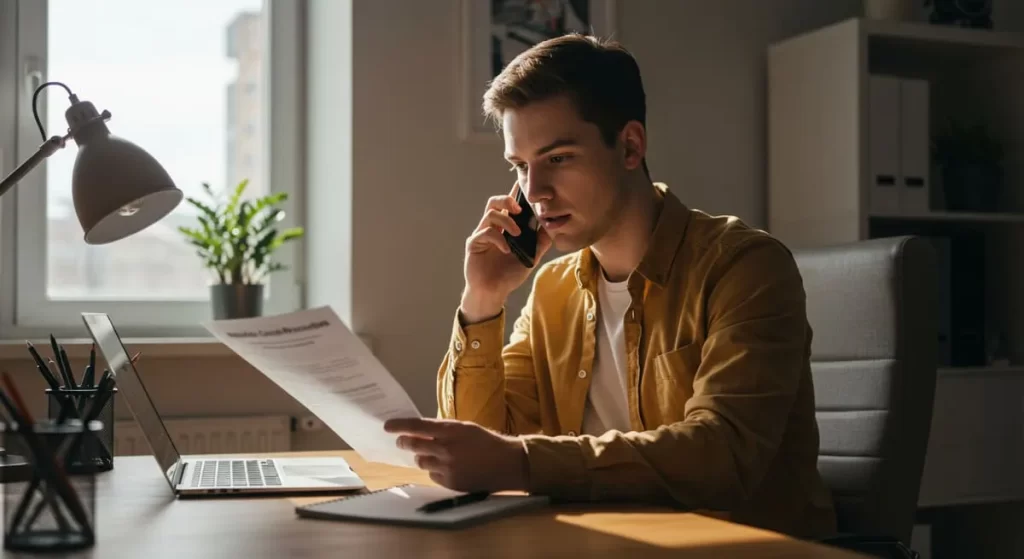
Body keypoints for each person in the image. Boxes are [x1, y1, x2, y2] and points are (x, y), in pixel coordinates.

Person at [383, 33, 836, 539]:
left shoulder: (745, 267)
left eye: (558, 158)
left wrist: (522, 462)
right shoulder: (553, 290)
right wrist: (483, 299)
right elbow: (480, 448)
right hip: (607, 542)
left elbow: (723, 454)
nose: (535, 192)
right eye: (521, 167)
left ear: (630, 146)